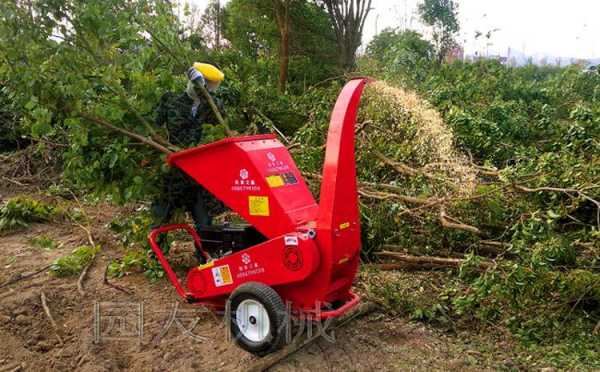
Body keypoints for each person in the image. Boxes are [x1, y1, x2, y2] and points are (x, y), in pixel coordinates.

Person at [151, 63, 226, 255]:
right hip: (174, 171)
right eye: (203, 84)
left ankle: (206, 257)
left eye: (208, 86)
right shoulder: (170, 100)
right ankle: (156, 256)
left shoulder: (213, 105)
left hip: (199, 174)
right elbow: (153, 127)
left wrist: (204, 92)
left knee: (204, 220)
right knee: (161, 215)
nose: (204, 89)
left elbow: (221, 126)